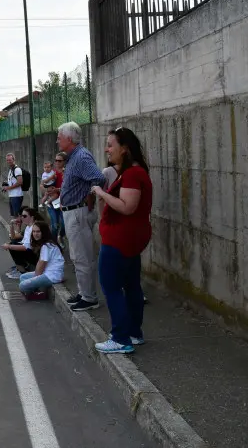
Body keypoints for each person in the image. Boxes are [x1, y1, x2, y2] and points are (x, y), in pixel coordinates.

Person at [91, 127, 153, 354]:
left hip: (120, 240)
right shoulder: (133, 172)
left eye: (110, 145)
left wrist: (101, 193)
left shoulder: (132, 174)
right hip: (128, 239)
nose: (107, 149)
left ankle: (120, 338)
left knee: (111, 286)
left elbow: (128, 207)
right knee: (131, 285)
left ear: (124, 149)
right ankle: (134, 333)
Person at [57, 122, 106, 312]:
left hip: (78, 212)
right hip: (73, 211)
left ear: (69, 139)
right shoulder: (74, 157)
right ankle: (83, 292)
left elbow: (98, 178)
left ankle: (89, 297)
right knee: (77, 256)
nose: (57, 140)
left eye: (60, 137)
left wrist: (89, 196)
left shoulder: (81, 157)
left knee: (82, 256)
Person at [19, 221, 65, 300]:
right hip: (47, 272)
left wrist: (35, 278)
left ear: (44, 232)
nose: (35, 234)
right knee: (23, 277)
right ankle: (36, 292)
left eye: (38, 231)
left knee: (22, 286)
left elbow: (42, 263)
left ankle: (40, 295)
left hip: (52, 275)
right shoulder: (45, 244)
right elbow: (40, 263)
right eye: (33, 231)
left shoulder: (47, 245)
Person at [1, 207, 43, 279]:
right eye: (21, 216)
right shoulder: (28, 227)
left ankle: (22, 271)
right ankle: (21, 268)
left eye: (24, 216)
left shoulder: (34, 228)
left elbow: (26, 247)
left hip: (37, 255)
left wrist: (9, 246)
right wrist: (12, 225)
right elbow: (14, 237)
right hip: (32, 252)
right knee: (13, 243)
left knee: (13, 246)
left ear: (32, 217)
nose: (22, 218)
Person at [1, 153, 24, 217]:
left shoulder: (17, 169)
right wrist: (6, 186)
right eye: (7, 160)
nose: (8, 161)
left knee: (17, 216)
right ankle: (15, 227)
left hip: (16, 195)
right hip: (12, 195)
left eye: (10, 160)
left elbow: (20, 182)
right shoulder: (11, 170)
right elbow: (12, 182)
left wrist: (8, 188)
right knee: (14, 215)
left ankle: (18, 227)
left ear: (14, 160)